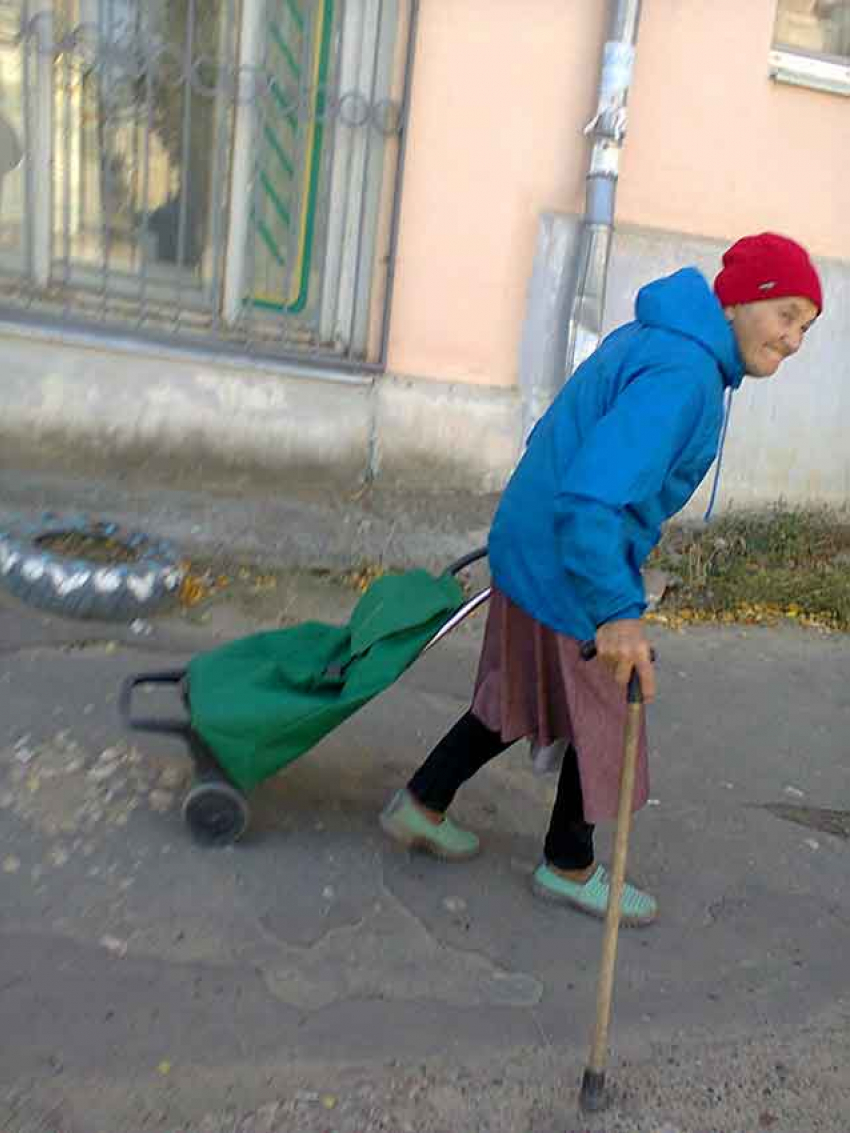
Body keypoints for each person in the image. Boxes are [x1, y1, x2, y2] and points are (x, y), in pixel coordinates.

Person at [380, 232, 822, 927]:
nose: (795, 338)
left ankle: (422, 801)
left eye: (807, 325)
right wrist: (617, 609)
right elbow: (594, 497)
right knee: (611, 708)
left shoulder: (669, 341)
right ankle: (569, 864)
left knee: (520, 693)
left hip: (536, 538)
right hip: (571, 554)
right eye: (786, 314)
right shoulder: (685, 374)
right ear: (738, 302)